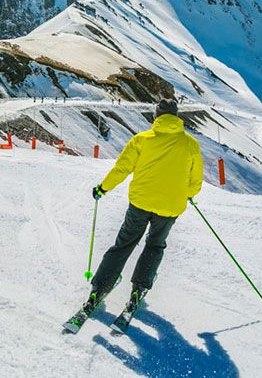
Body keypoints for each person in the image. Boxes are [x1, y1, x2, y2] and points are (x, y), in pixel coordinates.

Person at [86, 99, 203, 313]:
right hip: (170, 207)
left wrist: (103, 188)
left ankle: (99, 287)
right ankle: (139, 288)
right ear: (176, 117)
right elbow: (195, 181)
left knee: (124, 244)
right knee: (155, 245)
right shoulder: (190, 144)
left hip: (140, 202)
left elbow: (122, 169)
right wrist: (185, 195)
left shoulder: (142, 139)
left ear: (156, 116)